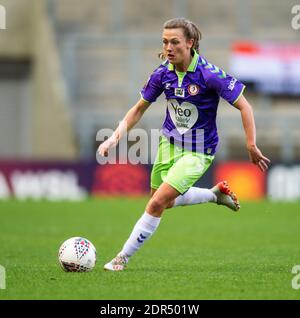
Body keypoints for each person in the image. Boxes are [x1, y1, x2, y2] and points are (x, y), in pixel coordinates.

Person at [98, 18, 270, 271]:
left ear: (190, 43)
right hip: (169, 144)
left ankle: (121, 258)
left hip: (199, 150)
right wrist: (114, 137)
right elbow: (138, 109)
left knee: (156, 204)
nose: (168, 47)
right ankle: (214, 194)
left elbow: (245, 105)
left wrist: (251, 145)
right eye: (165, 42)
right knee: (162, 201)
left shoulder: (209, 74)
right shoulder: (162, 74)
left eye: (174, 42)